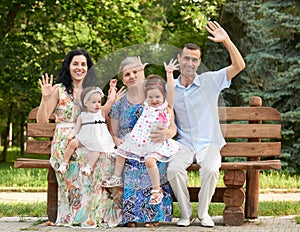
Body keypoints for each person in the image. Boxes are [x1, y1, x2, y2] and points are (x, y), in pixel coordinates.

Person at [167, 21, 246, 227]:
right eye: (186, 58)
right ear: (179, 59)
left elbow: (239, 66)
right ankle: (186, 214)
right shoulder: (171, 88)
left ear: (199, 62)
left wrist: (226, 40)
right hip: (184, 143)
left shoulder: (210, 80)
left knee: (211, 170)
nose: (190, 63)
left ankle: (203, 213)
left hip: (210, 142)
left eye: (195, 60)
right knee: (173, 170)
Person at [37, 49, 122, 228]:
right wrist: (45, 99)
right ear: (68, 66)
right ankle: (76, 215)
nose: (79, 68)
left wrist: (111, 102)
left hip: (88, 137)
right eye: (75, 63)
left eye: (83, 64)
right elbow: (42, 121)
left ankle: (98, 214)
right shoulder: (58, 90)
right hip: (65, 142)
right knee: (80, 164)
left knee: (104, 161)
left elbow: (101, 115)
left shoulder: (92, 91)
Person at [107, 56, 177, 227]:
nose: (131, 76)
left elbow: (173, 128)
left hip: (153, 144)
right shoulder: (120, 103)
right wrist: (118, 142)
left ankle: (153, 216)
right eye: (127, 74)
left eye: (135, 72)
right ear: (122, 78)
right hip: (130, 146)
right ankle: (131, 216)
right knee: (131, 168)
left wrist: (166, 134)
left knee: (153, 165)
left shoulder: (154, 98)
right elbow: (112, 131)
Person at [58, 83, 117, 176]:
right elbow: (76, 128)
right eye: (94, 102)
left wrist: (112, 88)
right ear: (86, 103)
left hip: (97, 139)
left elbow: (110, 101)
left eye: (99, 102)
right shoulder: (82, 115)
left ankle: (89, 167)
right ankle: (64, 163)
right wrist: (70, 136)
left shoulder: (101, 112)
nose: (97, 104)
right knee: (73, 143)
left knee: (96, 150)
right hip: (85, 137)